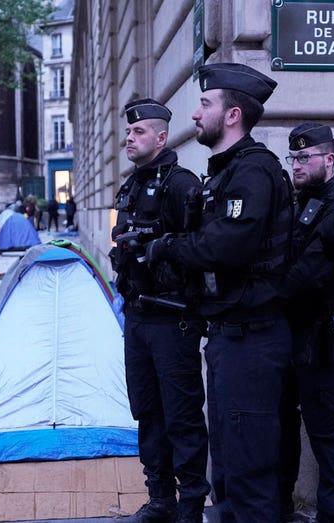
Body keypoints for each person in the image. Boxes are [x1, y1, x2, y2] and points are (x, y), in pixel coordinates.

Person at [146, 62, 294, 523]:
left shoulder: (253, 171)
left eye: (205, 104)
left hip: (254, 337)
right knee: (229, 466)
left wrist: (170, 246)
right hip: (231, 335)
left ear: (232, 115)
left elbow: (229, 244)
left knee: (249, 470)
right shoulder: (226, 172)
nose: (194, 115)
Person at [110, 98, 209, 523]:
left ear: (162, 137)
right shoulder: (131, 185)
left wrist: (158, 252)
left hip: (173, 317)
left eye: (138, 133)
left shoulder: (181, 185)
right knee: (147, 411)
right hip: (137, 317)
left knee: (182, 415)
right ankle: (160, 499)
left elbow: (201, 250)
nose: (129, 139)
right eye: (128, 133)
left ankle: (190, 506)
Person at [275, 124, 334, 523]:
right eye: (293, 158)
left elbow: (312, 271)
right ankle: (282, 508)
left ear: (329, 159)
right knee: (284, 428)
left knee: (325, 433)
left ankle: (333, 515)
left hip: (320, 336)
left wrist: (272, 290)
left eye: (305, 157)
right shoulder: (293, 203)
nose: (297, 165)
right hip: (286, 334)